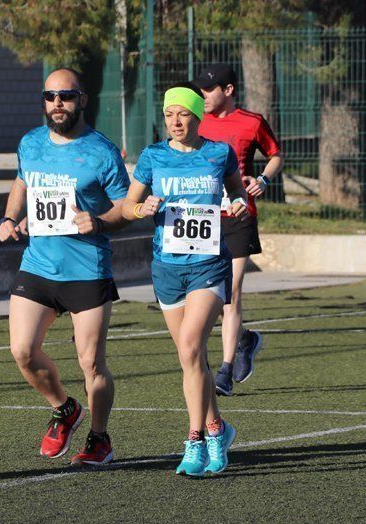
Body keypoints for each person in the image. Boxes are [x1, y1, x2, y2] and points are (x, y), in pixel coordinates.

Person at [0, 68, 130, 466]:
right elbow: (23, 181)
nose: (58, 104)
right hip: (38, 265)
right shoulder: (30, 143)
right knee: (22, 350)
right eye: (51, 97)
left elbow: (127, 206)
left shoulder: (101, 151)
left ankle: (99, 438)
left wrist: (102, 221)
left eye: (66, 96)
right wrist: (10, 217)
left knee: (91, 363)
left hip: (87, 269)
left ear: (82, 100)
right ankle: (64, 408)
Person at [121, 82, 249, 476]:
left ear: (198, 116)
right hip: (167, 268)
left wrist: (240, 205)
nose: (176, 121)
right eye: (169, 115)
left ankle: (197, 441)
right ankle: (218, 426)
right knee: (191, 359)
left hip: (208, 265)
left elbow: (238, 194)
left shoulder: (218, 153)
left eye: (184, 114)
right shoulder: (153, 156)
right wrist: (144, 208)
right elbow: (127, 206)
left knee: (192, 347)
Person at [193, 63, 284, 396]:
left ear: (228, 90)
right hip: (201, 220)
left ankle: (225, 371)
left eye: (209, 89)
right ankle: (246, 340)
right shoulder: (193, 122)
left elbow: (275, 155)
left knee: (229, 296)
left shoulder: (252, 122)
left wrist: (262, 179)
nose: (202, 95)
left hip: (238, 217)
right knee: (211, 300)